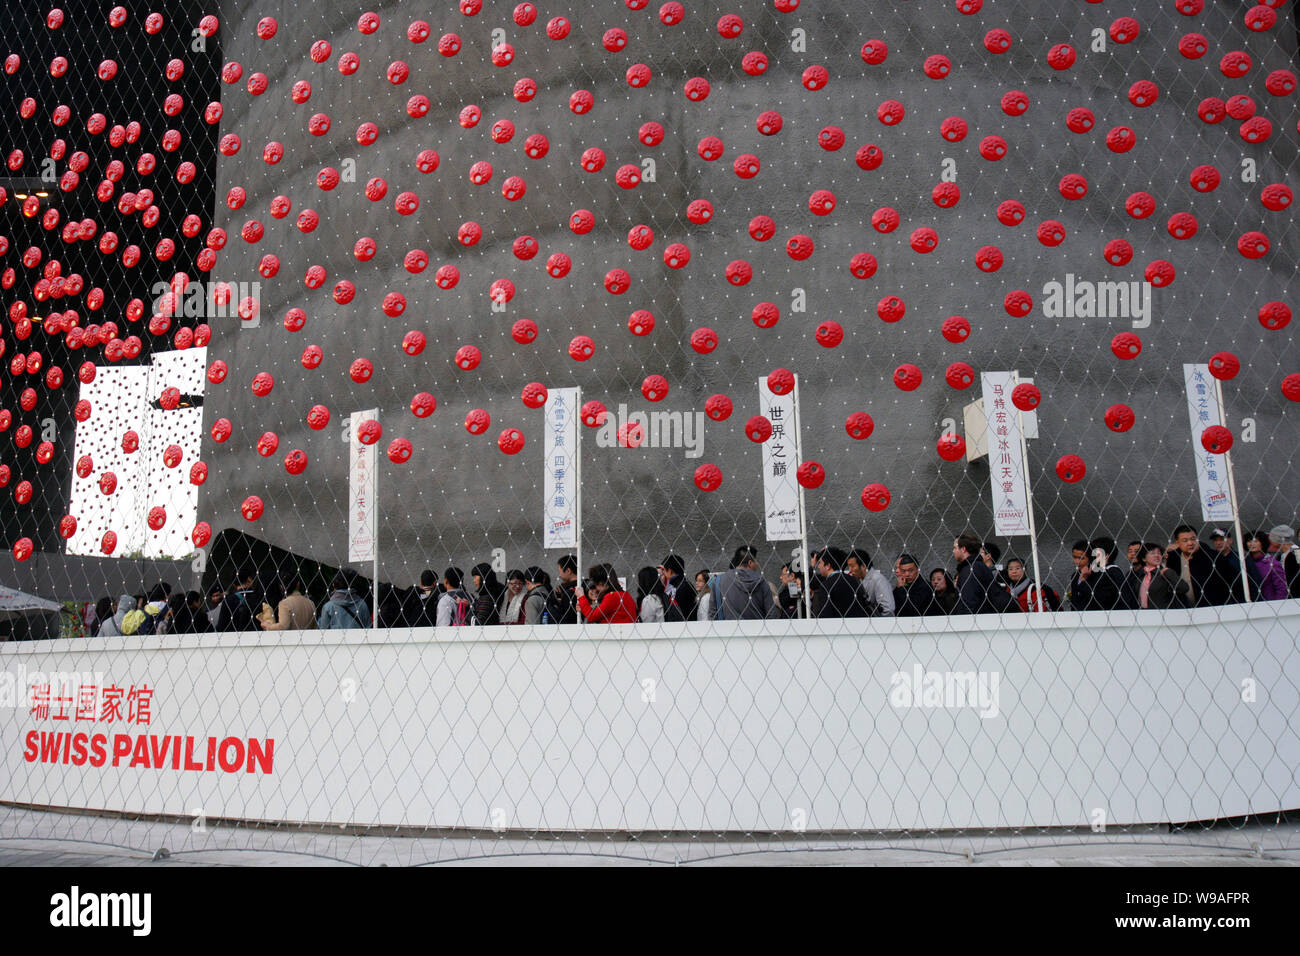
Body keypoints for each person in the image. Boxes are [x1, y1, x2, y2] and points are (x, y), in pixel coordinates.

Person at [952, 533, 1018, 614]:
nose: (953, 551)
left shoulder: (971, 570)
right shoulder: (978, 566)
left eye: (955, 548)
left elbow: (969, 604)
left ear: (963, 549)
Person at [709, 545, 779, 620]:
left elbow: (713, 613)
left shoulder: (719, 581)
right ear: (750, 563)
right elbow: (772, 614)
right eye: (756, 561)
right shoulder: (762, 582)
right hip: (757, 630)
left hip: (729, 630)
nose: (757, 564)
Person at [1164, 525, 1220, 607]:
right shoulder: (1172, 558)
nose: (1190, 543)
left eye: (1193, 539)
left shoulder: (1213, 558)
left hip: (1210, 608)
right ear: (1177, 543)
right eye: (1185, 540)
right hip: (1183, 608)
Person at [1065, 538, 1126, 611]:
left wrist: (1084, 582)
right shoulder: (1075, 575)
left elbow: (1102, 600)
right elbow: (1074, 602)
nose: (1077, 561)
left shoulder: (1104, 575)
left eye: (1081, 558)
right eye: (1075, 557)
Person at [814, 547, 875, 617]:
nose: (818, 566)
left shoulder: (826, 586)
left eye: (820, 563)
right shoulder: (854, 580)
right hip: (859, 624)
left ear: (828, 566)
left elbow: (825, 615)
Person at [1131, 543, 1190, 609]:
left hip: (1164, 613)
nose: (1157, 555)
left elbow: (1184, 588)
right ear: (1144, 558)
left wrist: (1169, 573)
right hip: (1144, 614)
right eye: (1152, 553)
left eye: (1159, 553)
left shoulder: (1166, 573)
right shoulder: (1139, 575)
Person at [846, 548, 894, 616]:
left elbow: (888, 608)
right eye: (849, 567)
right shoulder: (858, 580)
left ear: (863, 566)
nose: (850, 570)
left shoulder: (878, 579)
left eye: (852, 566)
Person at [1247, 532, 1288, 601]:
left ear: (1262, 543)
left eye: (1255, 541)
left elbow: (1281, 588)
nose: (1252, 544)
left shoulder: (1272, 563)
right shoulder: (1245, 563)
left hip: (1270, 603)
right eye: (1249, 541)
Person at [658, 555, 698, 622]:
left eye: (664, 570)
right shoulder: (682, 584)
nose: (663, 574)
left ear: (670, 571)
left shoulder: (679, 587)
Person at [544, 555, 579, 625]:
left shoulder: (570, 591)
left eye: (560, 572)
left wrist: (558, 602)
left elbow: (566, 616)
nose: (559, 575)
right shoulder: (583, 586)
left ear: (568, 571)